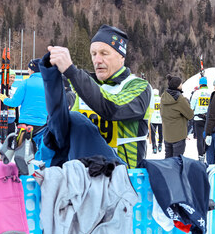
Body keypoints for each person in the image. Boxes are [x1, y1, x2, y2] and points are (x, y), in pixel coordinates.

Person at [48, 24, 152, 168]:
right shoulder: (86, 87)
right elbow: (70, 129)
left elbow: (113, 108)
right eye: (94, 54)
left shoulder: (138, 86)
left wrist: (72, 73)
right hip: (86, 173)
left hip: (124, 175)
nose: (97, 60)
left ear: (121, 56)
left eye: (104, 53)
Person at [2, 59, 49, 136]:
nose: (28, 71)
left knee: (21, 143)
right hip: (42, 124)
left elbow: (15, 103)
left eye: (29, 69)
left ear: (33, 70)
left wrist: (5, 99)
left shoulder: (25, 83)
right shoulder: (48, 84)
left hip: (25, 124)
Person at [160, 75, 194, 158]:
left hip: (167, 134)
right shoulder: (180, 99)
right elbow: (190, 115)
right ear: (178, 85)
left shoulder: (163, 97)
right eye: (181, 83)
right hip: (178, 135)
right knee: (177, 160)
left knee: (168, 159)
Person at [190, 76, 212, 160]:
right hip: (208, 118)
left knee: (199, 138)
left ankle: (201, 155)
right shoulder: (210, 92)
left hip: (198, 118)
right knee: (208, 136)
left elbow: (191, 106)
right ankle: (206, 151)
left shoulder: (197, 93)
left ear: (200, 84)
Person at [149, 88, 163, 154]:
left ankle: (154, 147)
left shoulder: (151, 100)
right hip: (160, 119)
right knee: (160, 133)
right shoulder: (161, 99)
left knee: (153, 134)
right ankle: (160, 145)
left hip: (153, 119)